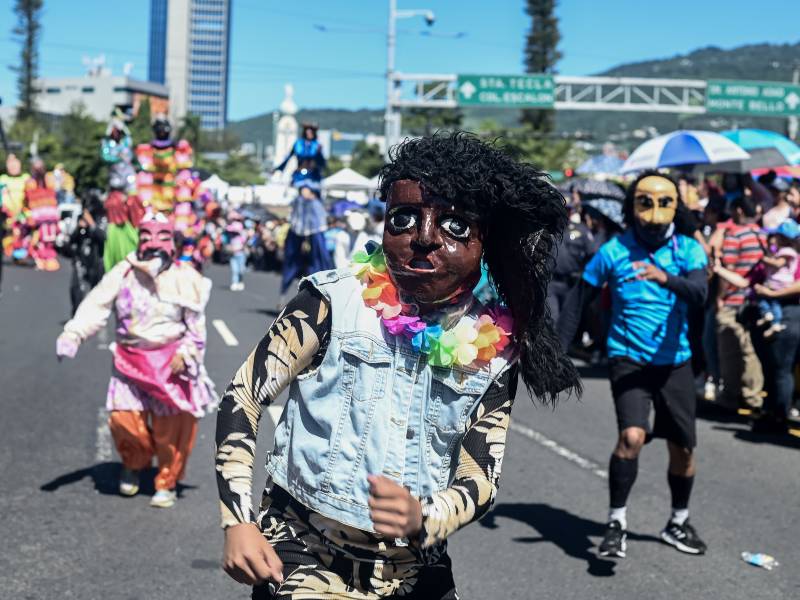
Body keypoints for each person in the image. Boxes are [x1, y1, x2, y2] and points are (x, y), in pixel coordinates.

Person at [214, 132, 580, 598]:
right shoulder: (331, 303)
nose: (423, 237)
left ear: (485, 242)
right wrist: (238, 521)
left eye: (454, 225)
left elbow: (481, 479)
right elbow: (243, 396)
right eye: (403, 218)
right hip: (304, 549)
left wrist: (426, 516)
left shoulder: (495, 346)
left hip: (413, 565)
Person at [559, 171, 709, 558]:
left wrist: (665, 278)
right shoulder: (614, 251)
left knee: (683, 449)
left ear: (675, 207)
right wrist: (556, 352)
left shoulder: (687, 249)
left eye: (663, 204)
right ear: (633, 208)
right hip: (628, 358)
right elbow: (579, 297)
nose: (653, 217)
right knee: (632, 437)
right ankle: (616, 522)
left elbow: (699, 292)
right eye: (645, 205)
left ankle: (678, 521)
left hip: (675, 362)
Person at [56, 213, 216, 508]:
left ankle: (167, 481)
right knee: (125, 422)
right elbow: (97, 303)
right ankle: (134, 463)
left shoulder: (185, 277)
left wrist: (186, 353)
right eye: (146, 237)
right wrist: (74, 333)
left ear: (172, 243)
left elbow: (197, 326)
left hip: (170, 365)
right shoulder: (124, 272)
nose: (153, 244)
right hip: (129, 361)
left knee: (173, 428)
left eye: (162, 238)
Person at [715, 195, 766, 410]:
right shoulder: (763, 235)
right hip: (756, 300)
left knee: (730, 352)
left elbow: (727, 271)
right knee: (750, 351)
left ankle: (730, 395)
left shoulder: (735, 236)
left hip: (734, 299)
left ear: (738, 210)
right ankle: (753, 396)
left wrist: (720, 297)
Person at [714, 219, 800, 338]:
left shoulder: (794, 259)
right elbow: (744, 282)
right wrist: (718, 269)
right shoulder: (765, 264)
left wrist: (772, 294)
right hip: (766, 322)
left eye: (774, 237)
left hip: (790, 316)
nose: (770, 241)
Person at [278, 183, 333, 308]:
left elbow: (319, 224)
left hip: (314, 237)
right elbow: (295, 221)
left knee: (319, 265)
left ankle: (321, 299)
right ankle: (283, 297)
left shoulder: (316, 204)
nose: (303, 192)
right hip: (297, 237)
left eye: (306, 190)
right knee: (291, 266)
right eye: (302, 190)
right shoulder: (298, 202)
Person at [101, 115, 143, 271]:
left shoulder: (126, 142)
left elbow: (131, 153)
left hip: (129, 184)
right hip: (116, 187)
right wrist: (118, 155)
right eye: (114, 130)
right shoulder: (107, 144)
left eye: (118, 130)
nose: (116, 132)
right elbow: (106, 156)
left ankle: (136, 245)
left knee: (134, 209)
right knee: (115, 212)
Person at [135, 116, 195, 214]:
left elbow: (183, 172)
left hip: (171, 190)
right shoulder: (147, 150)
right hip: (154, 190)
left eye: (163, 129)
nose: (162, 132)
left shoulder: (178, 149)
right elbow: (144, 171)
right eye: (159, 130)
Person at [65, 203, 106, 315]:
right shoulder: (81, 222)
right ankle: (76, 314)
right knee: (76, 289)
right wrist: (79, 228)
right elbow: (70, 242)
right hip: (80, 262)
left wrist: (91, 224)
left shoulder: (100, 221)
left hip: (94, 263)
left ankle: (91, 315)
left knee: (94, 292)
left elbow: (103, 238)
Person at [24, 158, 61, 271]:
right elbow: (27, 200)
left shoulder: (48, 180)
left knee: (48, 240)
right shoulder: (31, 182)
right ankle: (41, 259)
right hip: (40, 218)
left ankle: (47, 259)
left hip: (48, 218)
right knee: (38, 240)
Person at [273, 123, 326, 188]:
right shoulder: (298, 143)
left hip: (313, 174)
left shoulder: (317, 145)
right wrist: (278, 168)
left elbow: (322, 162)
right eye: (308, 132)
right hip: (300, 173)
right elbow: (288, 157)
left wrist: (319, 153)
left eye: (311, 132)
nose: (309, 134)